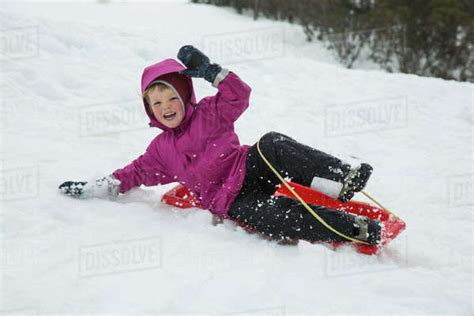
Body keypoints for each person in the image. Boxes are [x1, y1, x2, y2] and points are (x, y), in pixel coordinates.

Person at [59, 45, 381, 245]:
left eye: (173, 97)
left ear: (186, 97)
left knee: (272, 143)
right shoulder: (160, 150)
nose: (167, 106)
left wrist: (213, 72)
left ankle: (342, 179)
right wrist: (94, 187)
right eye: (157, 102)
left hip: (251, 168)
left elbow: (239, 94)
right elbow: (130, 174)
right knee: (272, 217)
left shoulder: (209, 114)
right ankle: (354, 229)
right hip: (228, 201)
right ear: (149, 109)